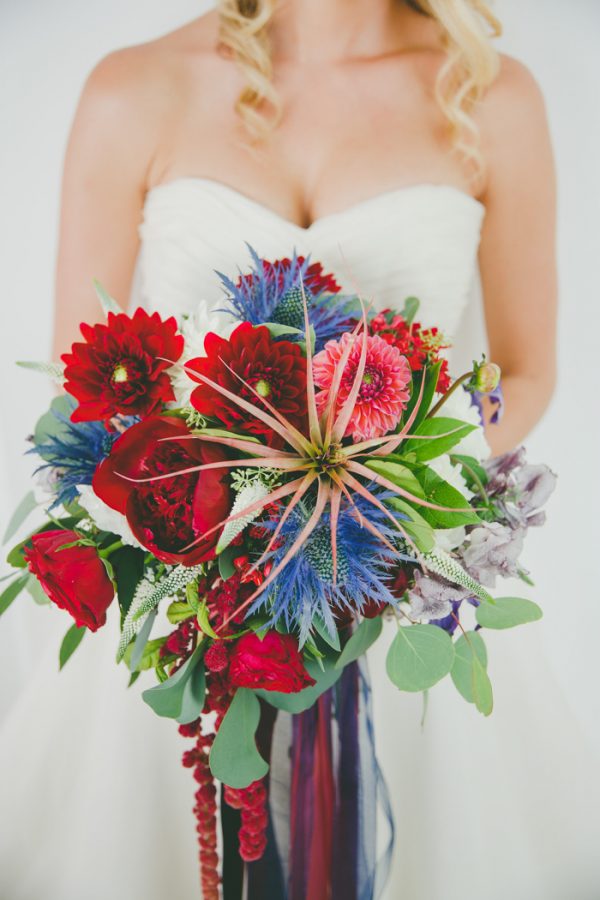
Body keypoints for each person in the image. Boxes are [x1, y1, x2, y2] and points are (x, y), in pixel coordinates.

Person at [5, 3, 597, 900]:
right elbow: (78, 377)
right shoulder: (133, 87)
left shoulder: (490, 97)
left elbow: (527, 370)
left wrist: (398, 476)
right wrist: (229, 510)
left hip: (398, 573)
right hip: (183, 592)